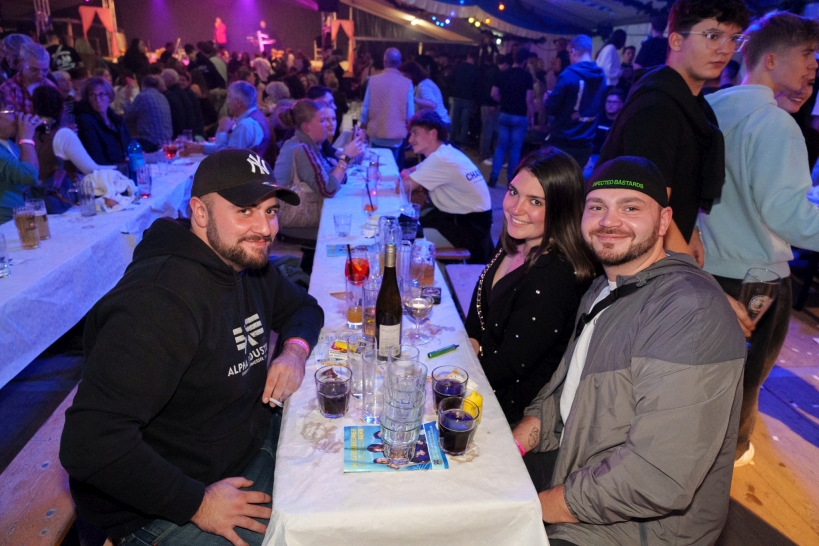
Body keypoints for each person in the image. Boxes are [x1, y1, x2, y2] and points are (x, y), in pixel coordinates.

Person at [60, 148, 323, 546]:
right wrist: (198, 504)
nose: (265, 228)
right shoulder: (157, 302)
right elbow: (89, 442)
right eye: (245, 211)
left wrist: (294, 352)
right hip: (163, 506)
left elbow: (304, 308)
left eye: (270, 211)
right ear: (200, 212)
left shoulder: (246, 263)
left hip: (245, 448)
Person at [513, 156, 746, 545]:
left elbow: (655, 477)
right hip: (576, 471)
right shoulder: (603, 289)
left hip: (638, 529)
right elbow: (563, 396)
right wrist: (514, 445)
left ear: (664, 221)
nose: (609, 221)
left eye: (631, 208)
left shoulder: (690, 311)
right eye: (597, 207)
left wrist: (531, 509)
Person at [699, 11, 819, 467]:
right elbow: (789, 216)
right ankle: (729, 456)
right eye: (806, 54)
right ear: (770, 59)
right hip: (756, 280)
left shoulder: (711, 107)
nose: (814, 66)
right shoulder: (775, 124)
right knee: (743, 382)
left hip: (704, 267)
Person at [597, 0, 751, 259]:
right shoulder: (658, 109)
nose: (726, 49)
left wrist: (691, 231)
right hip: (640, 262)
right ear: (677, 40)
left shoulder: (689, 102)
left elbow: (678, 188)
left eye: (734, 38)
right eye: (713, 36)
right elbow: (650, 209)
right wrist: (686, 270)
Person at [465, 148, 594, 423]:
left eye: (535, 201)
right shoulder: (515, 239)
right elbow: (478, 303)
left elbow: (510, 365)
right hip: (479, 376)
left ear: (561, 209)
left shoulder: (553, 277)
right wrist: (471, 342)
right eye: (513, 192)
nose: (516, 209)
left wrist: (454, 377)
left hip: (504, 410)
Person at [398, 111, 492, 264]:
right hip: (463, 217)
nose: (410, 140)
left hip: (468, 227)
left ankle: (435, 271)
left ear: (432, 133)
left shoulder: (440, 159)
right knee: (406, 222)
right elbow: (407, 173)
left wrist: (414, 184)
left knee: (404, 236)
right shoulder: (445, 152)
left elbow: (402, 189)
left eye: (415, 133)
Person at [273, 99, 365, 198]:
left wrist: (350, 154)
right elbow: (328, 190)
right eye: (322, 120)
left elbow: (329, 175)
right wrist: (346, 157)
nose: (328, 124)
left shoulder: (309, 145)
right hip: (286, 206)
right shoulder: (301, 149)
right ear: (306, 127)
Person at [544, 35, 606, 169]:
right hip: (586, 142)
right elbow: (600, 105)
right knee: (575, 179)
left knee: (556, 178)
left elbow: (551, 108)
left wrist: (547, 99)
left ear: (572, 51)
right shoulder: (601, 76)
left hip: (563, 141)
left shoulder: (568, 75)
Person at [33, 85, 116, 183]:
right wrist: (119, 168)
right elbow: (92, 170)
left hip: (34, 189)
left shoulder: (30, 133)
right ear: (61, 107)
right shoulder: (64, 134)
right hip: (58, 190)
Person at [180, 81, 273, 165]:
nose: (227, 102)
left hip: (244, 176)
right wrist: (200, 148)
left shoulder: (245, 125)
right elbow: (228, 149)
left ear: (238, 103)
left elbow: (225, 160)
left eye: (230, 98)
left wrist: (223, 131)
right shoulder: (257, 116)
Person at [360, 48, 414, 167]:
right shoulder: (407, 84)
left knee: (375, 164)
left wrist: (362, 128)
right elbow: (410, 114)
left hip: (376, 132)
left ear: (384, 62)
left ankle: (375, 177)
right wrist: (411, 133)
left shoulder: (373, 81)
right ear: (400, 63)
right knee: (393, 167)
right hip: (397, 135)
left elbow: (366, 108)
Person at [488, 49, 535, 187]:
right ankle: (511, 180)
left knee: (500, 147)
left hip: (504, 113)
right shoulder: (527, 76)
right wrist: (532, 116)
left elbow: (493, 93)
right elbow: (529, 99)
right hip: (520, 116)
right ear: (525, 61)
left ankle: (493, 177)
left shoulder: (504, 74)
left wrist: (503, 101)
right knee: (515, 150)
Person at [0, 97, 40, 223]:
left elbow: (33, 174)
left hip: (20, 218)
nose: (18, 115)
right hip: (5, 225)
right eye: (11, 111)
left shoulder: (9, 144)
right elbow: (29, 176)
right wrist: (27, 139)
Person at [76, 77, 130, 165]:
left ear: (109, 96)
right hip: (105, 171)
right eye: (92, 95)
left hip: (123, 167)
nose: (97, 100)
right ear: (87, 99)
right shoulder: (86, 122)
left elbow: (128, 147)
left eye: (101, 94)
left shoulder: (118, 120)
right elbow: (97, 160)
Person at [0, 42, 58, 115]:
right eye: (34, 70)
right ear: (21, 62)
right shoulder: (8, 89)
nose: (40, 75)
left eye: (45, 70)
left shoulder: (51, 87)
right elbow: (4, 119)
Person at [124, 74, 173, 153]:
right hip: (167, 142)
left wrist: (127, 97)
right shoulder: (163, 97)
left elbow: (128, 116)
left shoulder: (142, 96)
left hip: (150, 142)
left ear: (143, 85)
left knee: (124, 142)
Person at [583, 88, 624, 177]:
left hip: (613, 158)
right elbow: (587, 140)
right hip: (595, 155)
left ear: (621, 104)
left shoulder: (622, 122)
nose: (610, 104)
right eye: (608, 101)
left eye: (614, 102)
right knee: (587, 174)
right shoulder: (597, 119)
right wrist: (588, 158)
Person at [398, 61, 449, 126]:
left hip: (439, 123)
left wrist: (412, 99)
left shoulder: (423, 85)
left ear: (411, 74)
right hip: (440, 121)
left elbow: (432, 104)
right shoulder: (424, 83)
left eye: (405, 75)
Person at [448, 50, 480, 148]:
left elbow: (450, 78)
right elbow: (477, 86)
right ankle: (463, 144)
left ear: (468, 56)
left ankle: (451, 141)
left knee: (454, 121)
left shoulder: (458, 67)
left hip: (457, 96)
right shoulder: (475, 70)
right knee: (465, 123)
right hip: (468, 98)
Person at [161, 68, 203, 139]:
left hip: (182, 134)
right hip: (191, 132)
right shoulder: (184, 93)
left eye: (163, 78)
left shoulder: (171, 95)